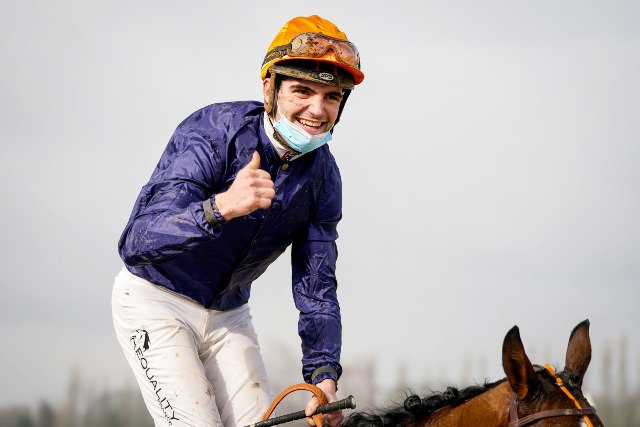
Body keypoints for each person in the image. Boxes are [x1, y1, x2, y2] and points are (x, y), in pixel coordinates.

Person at [112, 15, 364, 427]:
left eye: (331, 97)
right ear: (269, 89)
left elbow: (316, 284)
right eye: (302, 90)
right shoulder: (213, 131)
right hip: (156, 299)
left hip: (229, 314)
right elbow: (136, 242)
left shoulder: (324, 177)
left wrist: (323, 376)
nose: (317, 110)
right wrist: (221, 207)